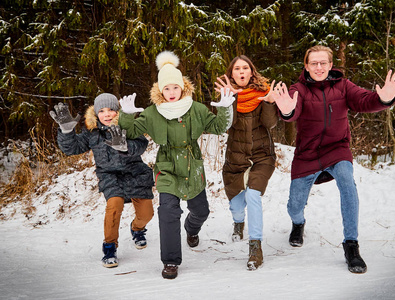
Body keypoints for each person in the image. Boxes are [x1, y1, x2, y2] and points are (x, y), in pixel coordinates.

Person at [272, 45, 395, 274]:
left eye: (323, 63)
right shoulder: (299, 90)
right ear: (306, 66)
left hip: (337, 149)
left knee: (348, 183)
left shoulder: (343, 86)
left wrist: (383, 99)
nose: (319, 67)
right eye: (313, 63)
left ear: (331, 65)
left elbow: (364, 101)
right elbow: (291, 111)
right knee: (294, 205)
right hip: (307, 154)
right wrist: (286, 112)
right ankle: (298, 223)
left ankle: (351, 245)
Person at [118, 50, 234, 279]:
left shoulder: (196, 109)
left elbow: (220, 127)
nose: (171, 92)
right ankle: (170, 261)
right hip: (167, 166)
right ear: (160, 90)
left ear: (183, 87)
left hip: (193, 165)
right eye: (166, 88)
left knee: (201, 211)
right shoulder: (153, 113)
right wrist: (126, 115)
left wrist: (225, 107)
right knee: (168, 211)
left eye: (175, 87)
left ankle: (192, 229)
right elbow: (130, 131)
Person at [50, 93, 155, 268]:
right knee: (114, 206)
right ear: (96, 114)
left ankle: (137, 229)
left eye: (111, 110)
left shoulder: (128, 125)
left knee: (146, 214)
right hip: (109, 175)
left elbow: (141, 144)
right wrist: (67, 131)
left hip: (135, 173)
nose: (107, 114)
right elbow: (72, 148)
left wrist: (125, 146)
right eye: (102, 111)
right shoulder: (92, 132)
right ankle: (109, 247)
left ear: (117, 111)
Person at [214, 55, 278, 270]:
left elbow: (270, 124)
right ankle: (238, 221)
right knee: (236, 204)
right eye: (237, 69)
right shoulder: (226, 95)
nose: (241, 72)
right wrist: (229, 102)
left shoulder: (264, 93)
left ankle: (255, 247)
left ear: (252, 71)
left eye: (245, 68)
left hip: (262, 156)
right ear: (231, 73)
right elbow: (225, 125)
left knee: (253, 195)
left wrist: (269, 102)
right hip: (236, 158)